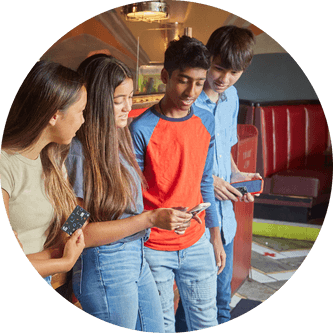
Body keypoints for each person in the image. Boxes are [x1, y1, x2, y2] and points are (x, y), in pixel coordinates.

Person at [65, 54, 192, 332]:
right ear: (96, 101)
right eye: (118, 100)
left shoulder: (118, 139)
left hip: (136, 254)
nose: (127, 107)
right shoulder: (78, 153)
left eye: (130, 97)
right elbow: (77, 232)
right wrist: (149, 219)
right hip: (105, 265)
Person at [129, 36, 225, 333]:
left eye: (199, 82)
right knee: (160, 326)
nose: (192, 91)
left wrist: (215, 236)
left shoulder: (205, 121)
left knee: (206, 321)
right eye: (184, 81)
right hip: (154, 246)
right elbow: (132, 196)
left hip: (197, 242)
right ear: (165, 77)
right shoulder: (141, 128)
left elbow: (205, 182)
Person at [177, 25, 261, 326]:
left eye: (234, 73)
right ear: (207, 58)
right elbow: (176, 164)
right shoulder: (187, 101)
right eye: (219, 68)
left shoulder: (232, 97)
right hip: (197, 220)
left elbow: (226, 151)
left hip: (226, 219)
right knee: (193, 307)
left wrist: (238, 175)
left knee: (221, 302)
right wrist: (209, 182)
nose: (225, 79)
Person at [0, 60, 86, 286]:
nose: (83, 120)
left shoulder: (51, 158)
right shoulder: (5, 164)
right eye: (80, 111)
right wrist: (64, 261)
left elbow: (77, 211)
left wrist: (70, 231)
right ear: (54, 116)